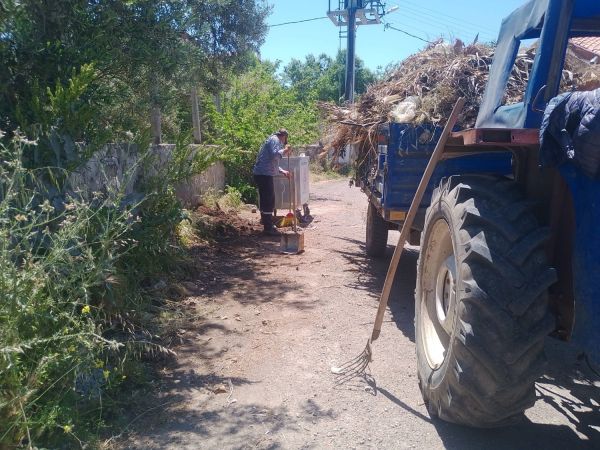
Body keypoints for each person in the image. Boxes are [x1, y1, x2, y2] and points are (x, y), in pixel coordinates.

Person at [253, 128, 292, 235]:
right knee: (269, 200)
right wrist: (285, 151)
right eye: (285, 139)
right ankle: (268, 227)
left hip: (262, 173)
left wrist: (283, 171)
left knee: (267, 199)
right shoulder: (275, 140)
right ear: (284, 136)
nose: (284, 142)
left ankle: (267, 224)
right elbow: (274, 155)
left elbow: (271, 161)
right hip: (263, 174)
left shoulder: (272, 140)